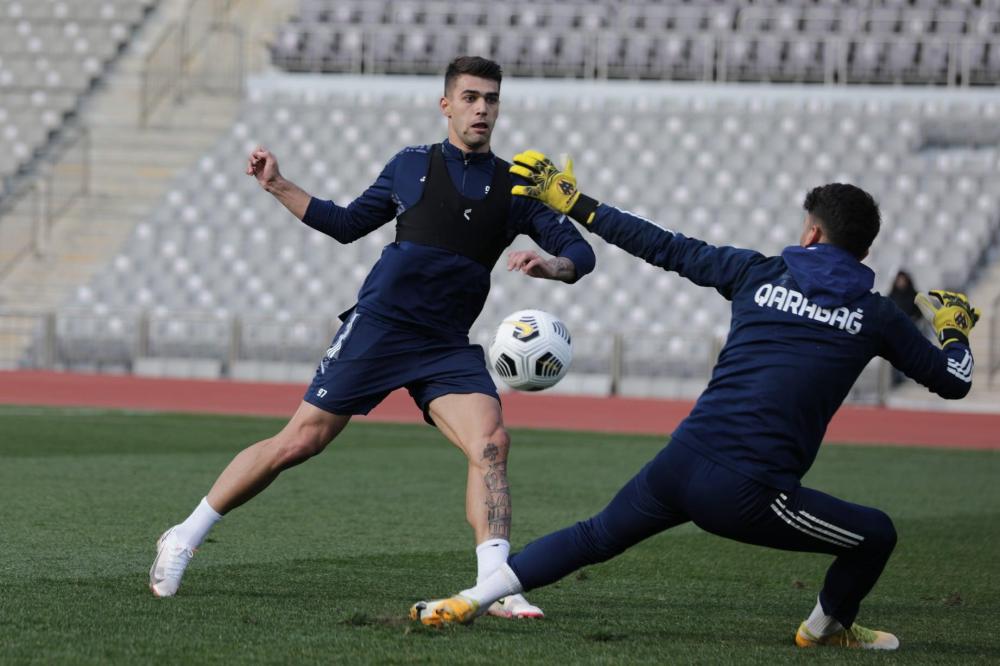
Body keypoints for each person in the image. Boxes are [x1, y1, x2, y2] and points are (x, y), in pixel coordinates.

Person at [412, 150, 980, 649]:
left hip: (680, 463)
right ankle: (825, 629)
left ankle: (469, 599)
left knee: (593, 537)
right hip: (749, 490)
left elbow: (662, 246)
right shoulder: (876, 316)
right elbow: (954, 379)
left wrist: (577, 204)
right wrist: (954, 329)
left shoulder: (757, 273)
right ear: (864, 249)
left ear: (811, 233)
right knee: (875, 535)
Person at [149, 59, 597, 620]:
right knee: (300, 441)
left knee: (491, 445)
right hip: (381, 326)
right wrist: (277, 184)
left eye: (491, 99)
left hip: (445, 344)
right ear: (447, 105)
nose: (482, 108)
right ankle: (185, 535)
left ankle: (495, 586)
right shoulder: (410, 164)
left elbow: (580, 254)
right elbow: (345, 224)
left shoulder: (516, 187)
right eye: (470, 97)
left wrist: (553, 266)